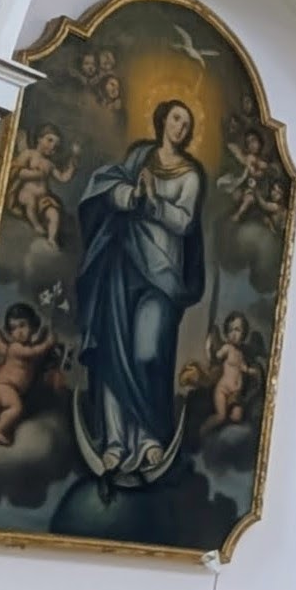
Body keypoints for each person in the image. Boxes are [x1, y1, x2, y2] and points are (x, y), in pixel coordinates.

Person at [75, 99, 206, 480]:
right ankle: (115, 442)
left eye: (187, 122)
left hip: (162, 274)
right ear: (163, 120)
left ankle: (148, 436)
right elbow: (107, 188)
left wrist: (151, 202)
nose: (180, 127)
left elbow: (183, 224)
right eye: (176, 118)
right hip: (123, 264)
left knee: (147, 352)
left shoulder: (190, 176)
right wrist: (129, 195)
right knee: (114, 352)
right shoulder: (139, 157)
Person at [0, 303, 54, 445]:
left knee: (2, 412)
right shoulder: (16, 348)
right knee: (16, 408)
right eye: (13, 328)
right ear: (9, 332)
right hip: (3, 387)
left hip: (9, 389)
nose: (18, 332)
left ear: (33, 326)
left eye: (22, 325)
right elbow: (34, 352)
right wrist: (48, 343)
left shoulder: (26, 344)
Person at [7, 125, 80, 246]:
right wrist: (36, 174)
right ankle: (36, 225)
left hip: (43, 198)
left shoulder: (49, 164)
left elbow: (63, 178)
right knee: (31, 201)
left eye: (55, 145)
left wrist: (73, 161)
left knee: (54, 214)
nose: (52, 146)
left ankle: (52, 238)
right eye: (49, 140)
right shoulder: (29, 154)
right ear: (39, 139)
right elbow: (16, 171)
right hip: (25, 194)